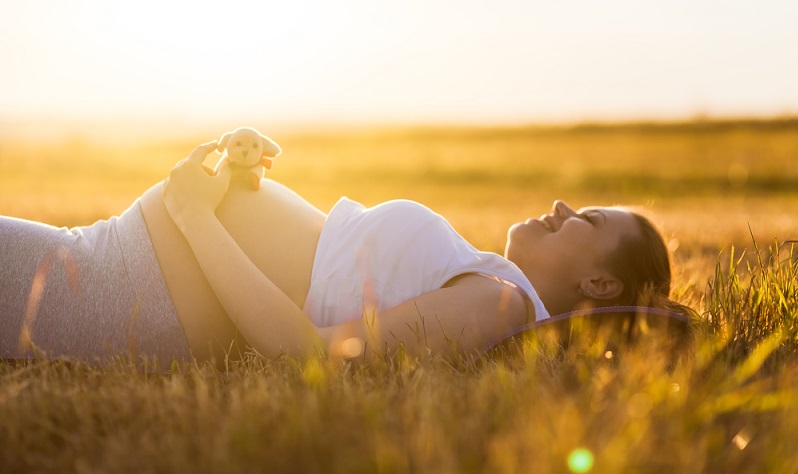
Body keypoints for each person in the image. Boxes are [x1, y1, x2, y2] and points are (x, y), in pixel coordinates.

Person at [1, 139, 689, 366]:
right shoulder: (485, 277)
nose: (564, 207)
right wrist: (241, 174)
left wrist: (194, 214)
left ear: (599, 283)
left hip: (127, 287)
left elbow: (303, 350)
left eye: (589, 218)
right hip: (128, 258)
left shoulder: (501, 303)